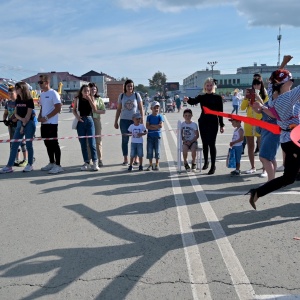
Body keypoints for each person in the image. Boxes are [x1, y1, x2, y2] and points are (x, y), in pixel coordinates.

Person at [246, 55, 300, 210]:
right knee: (289, 177)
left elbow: (272, 80)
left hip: (287, 140)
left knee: (289, 178)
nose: (292, 82)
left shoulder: (273, 94)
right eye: (290, 80)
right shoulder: (288, 98)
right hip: (294, 140)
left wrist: (283, 64)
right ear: (285, 83)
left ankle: (257, 192)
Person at [183, 78, 225, 175]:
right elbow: (193, 101)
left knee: (212, 144)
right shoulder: (202, 97)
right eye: (207, 85)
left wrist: (222, 125)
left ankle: (213, 166)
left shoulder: (218, 97)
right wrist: (188, 99)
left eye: (211, 85)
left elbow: (221, 112)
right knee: (205, 143)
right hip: (203, 122)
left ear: (214, 86)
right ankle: (206, 162)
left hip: (213, 123)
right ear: (205, 87)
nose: (209, 87)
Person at [0, 82, 36, 173]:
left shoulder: (29, 100)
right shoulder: (18, 100)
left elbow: (28, 115)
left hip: (29, 124)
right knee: (14, 144)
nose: (16, 90)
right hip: (20, 123)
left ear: (23, 88)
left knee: (29, 145)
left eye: (17, 88)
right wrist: (20, 120)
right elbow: (16, 113)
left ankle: (30, 164)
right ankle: (9, 166)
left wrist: (23, 124)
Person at [240, 78, 268, 174]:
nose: (256, 87)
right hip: (249, 123)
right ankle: (253, 167)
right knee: (250, 146)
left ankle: (264, 168)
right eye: (254, 85)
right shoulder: (249, 96)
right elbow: (242, 108)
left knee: (262, 147)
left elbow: (267, 107)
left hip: (260, 123)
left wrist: (259, 98)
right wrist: (245, 98)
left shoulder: (265, 95)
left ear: (261, 85)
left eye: (258, 84)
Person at [37, 74, 63, 174]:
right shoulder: (42, 94)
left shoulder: (54, 93)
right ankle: (51, 162)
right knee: (47, 143)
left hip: (52, 123)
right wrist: (40, 116)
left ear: (47, 83)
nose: (39, 84)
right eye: (38, 82)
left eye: (41, 82)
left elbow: (58, 108)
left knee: (54, 144)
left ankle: (58, 165)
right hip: (44, 123)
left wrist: (46, 117)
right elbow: (42, 108)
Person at [114, 79, 144, 165]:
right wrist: (116, 121)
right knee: (125, 140)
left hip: (135, 121)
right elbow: (119, 109)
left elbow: (141, 108)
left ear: (133, 87)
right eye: (128, 86)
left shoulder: (136, 95)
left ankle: (136, 158)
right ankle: (125, 158)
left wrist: (142, 120)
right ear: (125, 87)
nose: (130, 87)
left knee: (136, 139)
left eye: (131, 86)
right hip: (124, 121)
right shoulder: (122, 96)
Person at [73, 84, 99, 171]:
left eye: (88, 91)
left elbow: (95, 109)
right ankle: (86, 162)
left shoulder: (91, 98)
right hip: (81, 121)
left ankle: (95, 162)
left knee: (92, 143)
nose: (87, 92)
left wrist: (89, 99)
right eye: (85, 91)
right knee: (83, 143)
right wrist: (77, 116)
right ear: (81, 91)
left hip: (89, 120)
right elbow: (74, 110)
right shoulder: (77, 99)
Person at [3, 86, 27, 167]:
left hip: (18, 125)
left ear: (16, 93)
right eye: (9, 94)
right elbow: (6, 113)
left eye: (12, 93)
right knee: (13, 143)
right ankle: (16, 159)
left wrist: (15, 120)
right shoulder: (8, 103)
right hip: (11, 125)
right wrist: (4, 120)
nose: (10, 95)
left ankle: (25, 159)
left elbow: (20, 113)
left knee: (22, 142)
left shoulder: (18, 102)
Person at [88, 82, 106, 167]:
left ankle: (100, 159)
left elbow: (103, 110)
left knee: (98, 140)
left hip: (96, 120)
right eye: (91, 89)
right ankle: (89, 159)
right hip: (87, 120)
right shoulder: (85, 98)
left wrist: (96, 111)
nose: (93, 90)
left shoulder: (99, 99)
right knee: (89, 140)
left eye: (94, 89)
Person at [146, 101, 164, 171]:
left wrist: (152, 126)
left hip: (157, 136)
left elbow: (160, 125)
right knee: (150, 150)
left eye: (157, 107)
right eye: (154, 108)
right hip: (150, 136)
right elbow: (147, 126)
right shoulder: (149, 117)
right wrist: (156, 126)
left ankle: (157, 164)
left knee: (157, 151)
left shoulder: (160, 116)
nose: (156, 109)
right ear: (151, 108)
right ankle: (150, 164)